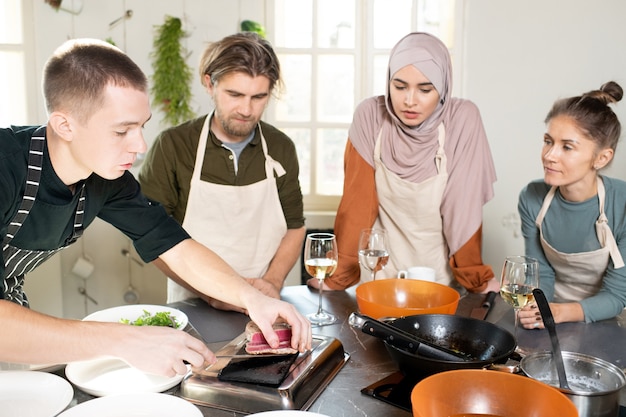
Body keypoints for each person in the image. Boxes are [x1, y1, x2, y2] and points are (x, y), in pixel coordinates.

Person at [0, 38, 311, 376]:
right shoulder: (6, 165)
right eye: (122, 131)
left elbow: (175, 245)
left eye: (141, 126)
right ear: (65, 126)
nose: (141, 145)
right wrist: (124, 340)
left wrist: (254, 299)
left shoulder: (108, 179)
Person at [309, 32, 498, 294]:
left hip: (436, 280)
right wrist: (337, 277)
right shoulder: (371, 115)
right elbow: (357, 204)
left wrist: (476, 277)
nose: (410, 100)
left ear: (443, 88)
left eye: (425, 89)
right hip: (377, 276)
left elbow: (462, 208)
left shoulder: (462, 119)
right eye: (399, 87)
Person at [139, 32, 305, 310]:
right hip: (194, 302)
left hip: (267, 300)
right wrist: (212, 294)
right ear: (209, 83)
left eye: (258, 97)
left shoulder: (281, 147)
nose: (246, 109)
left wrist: (273, 282)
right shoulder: (173, 146)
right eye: (235, 94)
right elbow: (151, 236)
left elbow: (295, 227)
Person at [518, 81, 626, 327]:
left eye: (567, 147)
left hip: (610, 319)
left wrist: (558, 313)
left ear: (602, 157)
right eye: (548, 141)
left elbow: (617, 295)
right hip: (551, 314)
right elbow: (541, 274)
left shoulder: (622, 204)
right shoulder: (532, 198)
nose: (549, 155)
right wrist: (539, 308)